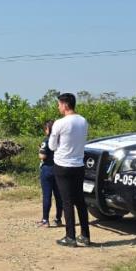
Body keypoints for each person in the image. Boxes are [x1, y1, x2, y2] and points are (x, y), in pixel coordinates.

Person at [48, 92, 92, 247]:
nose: (58, 107)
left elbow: (52, 146)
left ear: (65, 105)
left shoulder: (60, 123)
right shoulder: (83, 121)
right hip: (78, 165)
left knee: (67, 202)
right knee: (80, 201)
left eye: (59, 104)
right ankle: (85, 236)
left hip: (63, 165)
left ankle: (70, 236)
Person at [38, 120, 63, 227]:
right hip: (59, 169)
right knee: (59, 196)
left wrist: (39, 150)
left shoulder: (46, 140)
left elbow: (42, 156)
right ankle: (58, 219)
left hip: (47, 169)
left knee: (47, 195)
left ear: (48, 129)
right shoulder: (61, 140)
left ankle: (45, 220)